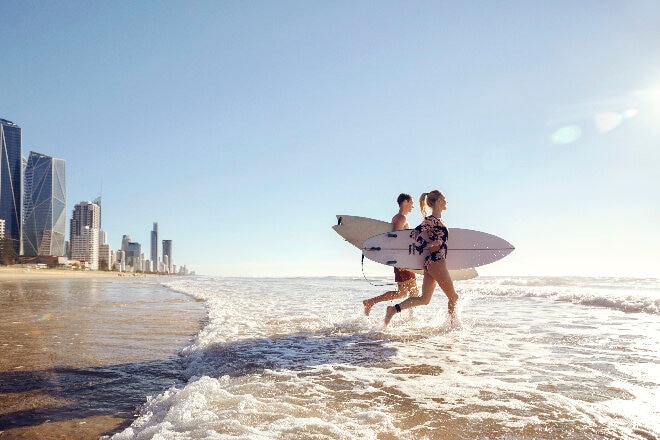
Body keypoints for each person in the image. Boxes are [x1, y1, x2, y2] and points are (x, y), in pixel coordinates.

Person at [384, 190, 459, 325]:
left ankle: (393, 310)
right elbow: (414, 234)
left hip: (431, 262)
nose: (447, 201)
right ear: (438, 201)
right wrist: (428, 244)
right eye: (444, 198)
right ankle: (452, 328)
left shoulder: (439, 220)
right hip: (436, 262)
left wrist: (433, 243)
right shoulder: (431, 220)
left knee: (425, 299)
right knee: (453, 297)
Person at [363, 193, 420, 316]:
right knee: (413, 292)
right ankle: (411, 318)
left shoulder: (398, 217)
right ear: (405, 202)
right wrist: (400, 261)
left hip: (400, 258)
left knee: (403, 292)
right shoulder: (401, 218)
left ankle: (371, 302)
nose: (412, 207)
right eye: (411, 203)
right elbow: (395, 237)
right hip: (402, 260)